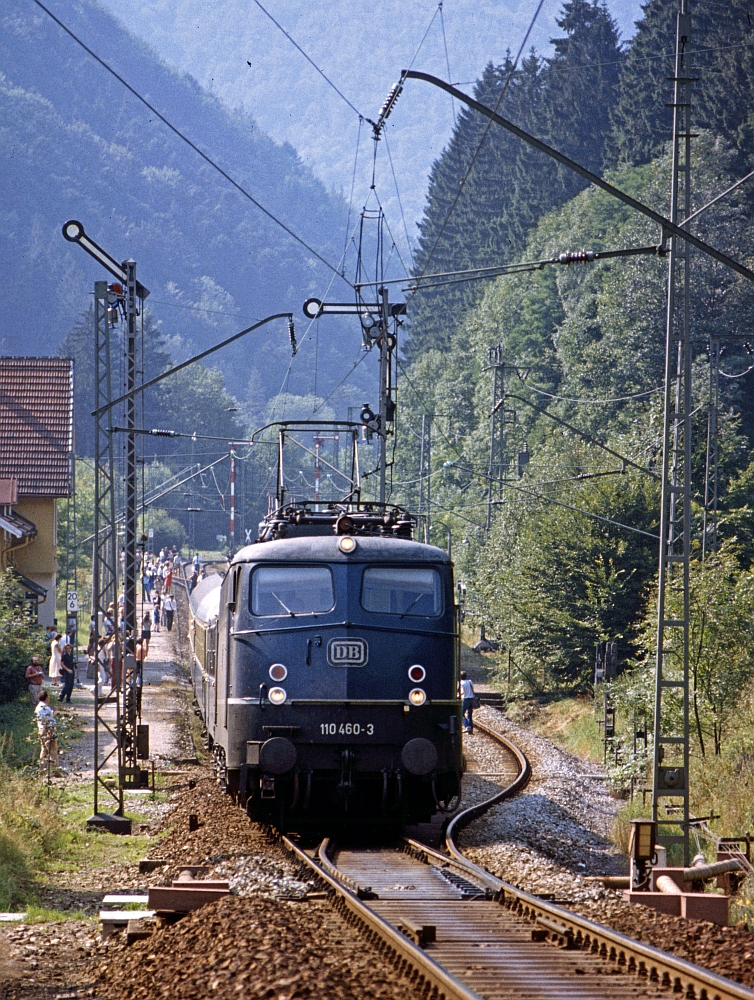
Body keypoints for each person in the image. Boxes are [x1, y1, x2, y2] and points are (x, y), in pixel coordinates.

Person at [35, 691, 59, 773]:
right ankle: (55, 770)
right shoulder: (45, 708)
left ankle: (41, 770)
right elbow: (45, 721)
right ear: (46, 697)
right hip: (48, 730)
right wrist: (49, 732)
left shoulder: (38, 707)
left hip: (41, 730)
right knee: (53, 750)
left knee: (44, 750)